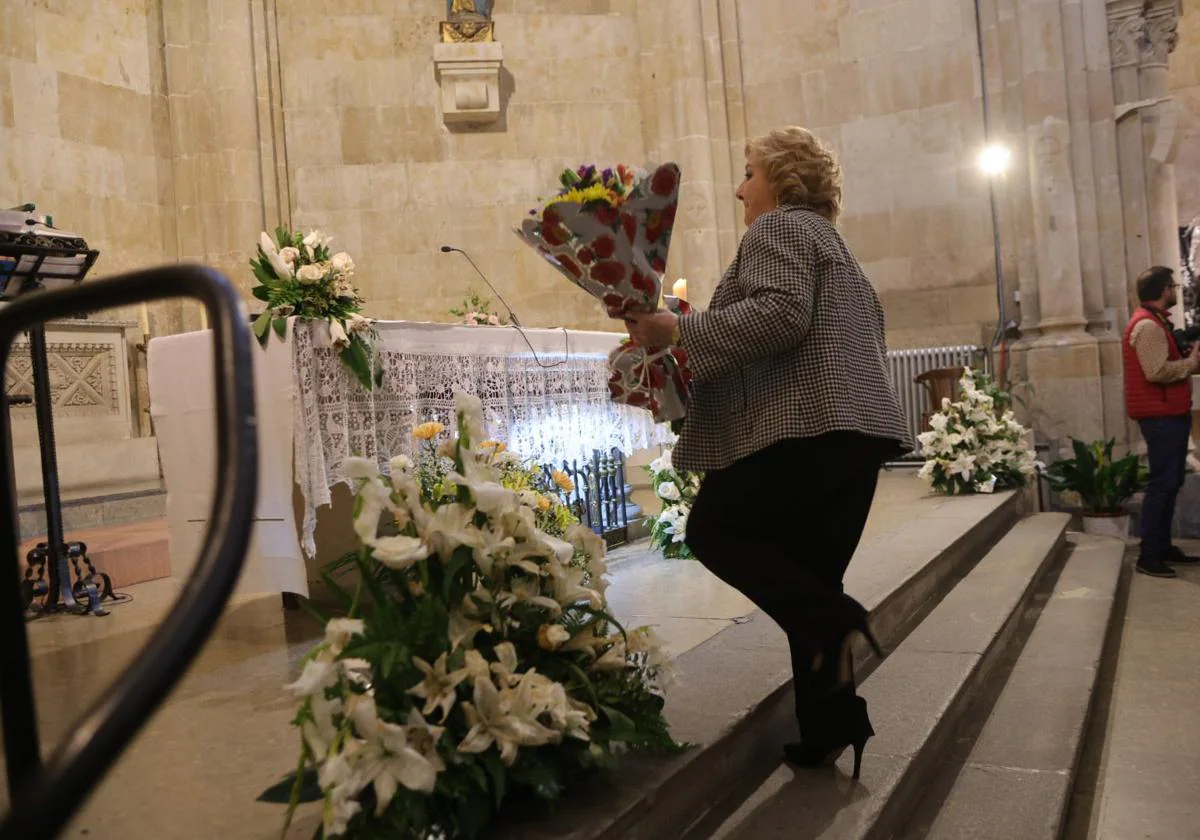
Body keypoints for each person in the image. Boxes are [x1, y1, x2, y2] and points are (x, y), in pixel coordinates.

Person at [625, 127, 910, 779]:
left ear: (782, 179)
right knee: (811, 582)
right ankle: (830, 726)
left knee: (717, 530)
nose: (737, 188)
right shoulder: (835, 245)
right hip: (857, 437)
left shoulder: (778, 229)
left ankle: (835, 622)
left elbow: (781, 316)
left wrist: (679, 329)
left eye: (748, 172)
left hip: (807, 431)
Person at [1121, 265, 1200, 579]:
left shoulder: (1156, 323)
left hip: (1169, 413)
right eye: (1173, 286)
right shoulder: (1148, 327)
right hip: (1161, 416)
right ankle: (1149, 554)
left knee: (1171, 483)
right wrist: (1191, 363)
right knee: (1161, 486)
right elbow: (1155, 371)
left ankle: (1162, 545)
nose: (1175, 292)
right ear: (1162, 289)